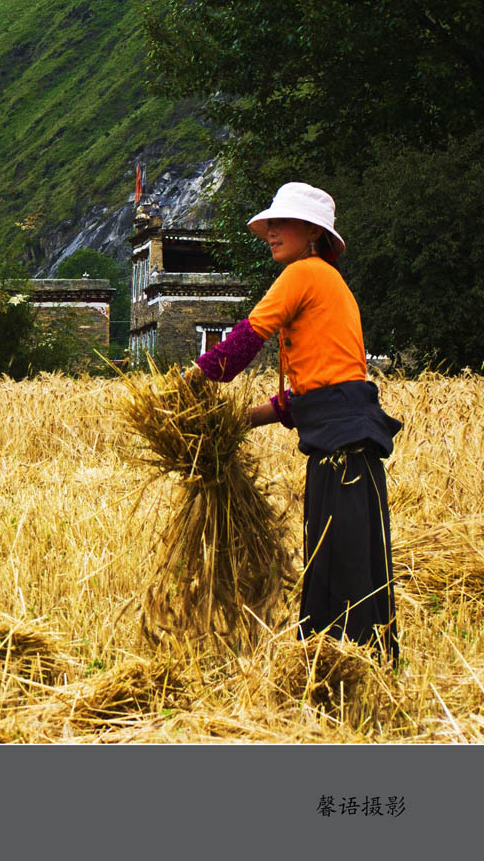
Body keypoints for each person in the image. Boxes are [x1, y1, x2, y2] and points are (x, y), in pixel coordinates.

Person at [187, 182, 402, 662]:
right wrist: (242, 419)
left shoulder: (303, 273)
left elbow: (247, 337)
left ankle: (343, 667)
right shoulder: (327, 281)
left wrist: (189, 384)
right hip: (348, 445)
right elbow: (318, 388)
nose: (271, 233)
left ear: (311, 234)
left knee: (339, 563)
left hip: (341, 446)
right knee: (348, 558)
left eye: (281, 224)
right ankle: (353, 664)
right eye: (270, 225)